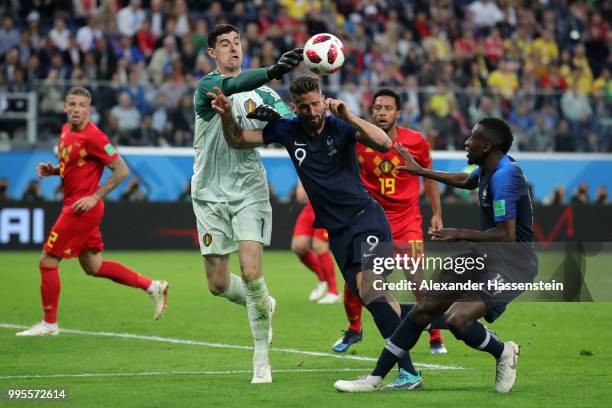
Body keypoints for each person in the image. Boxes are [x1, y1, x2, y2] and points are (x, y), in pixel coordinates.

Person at [209, 75, 425, 390]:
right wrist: (227, 114)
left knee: (371, 291)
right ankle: (458, 321)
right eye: (305, 106)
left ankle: (405, 374)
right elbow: (239, 139)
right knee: (381, 302)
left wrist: (349, 115)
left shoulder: (340, 125)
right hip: (338, 233)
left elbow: (384, 143)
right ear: (294, 107)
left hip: (367, 220)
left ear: (324, 100)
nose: (312, 111)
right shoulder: (286, 129)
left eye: (316, 103)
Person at [334, 118, 537, 393]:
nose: (466, 142)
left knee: (457, 320)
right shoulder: (489, 167)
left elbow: (506, 235)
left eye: (472, 138)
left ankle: (503, 352)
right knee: (424, 308)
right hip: (484, 255)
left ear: (487, 146)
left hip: (515, 264)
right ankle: (375, 379)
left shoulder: (505, 176)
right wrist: (421, 172)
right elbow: (465, 180)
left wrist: (458, 233)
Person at [191, 23, 302, 384]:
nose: (233, 48)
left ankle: (261, 360)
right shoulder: (208, 87)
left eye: (237, 42)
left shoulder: (266, 96)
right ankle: (262, 304)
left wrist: (288, 120)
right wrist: (273, 70)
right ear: (213, 53)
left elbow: (296, 129)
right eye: (224, 44)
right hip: (209, 193)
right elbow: (236, 85)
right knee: (218, 284)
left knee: (252, 273)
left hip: (250, 191)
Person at [17, 87, 169, 337]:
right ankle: (153, 287)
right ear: (65, 107)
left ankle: (49, 324)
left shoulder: (94, 137)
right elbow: (76, 164)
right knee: (93, 266)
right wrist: (54, 170)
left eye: (82, 105)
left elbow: (121, 170)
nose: (76, 109)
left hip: (82, 209)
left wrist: (94, 196)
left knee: (47, 260)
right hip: (76, 205)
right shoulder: (66, 130)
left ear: (89, 109)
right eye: (72, 104)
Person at [333, 88, 447, 355]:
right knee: (359, 284)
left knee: (417, 280)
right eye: (377, 108)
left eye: (387, 108)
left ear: (398, 113)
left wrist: (437, 213)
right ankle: (354, 330)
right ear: (372, 112)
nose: (381, 113)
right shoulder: (360, 140)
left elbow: (428, 177)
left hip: (408, 222)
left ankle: (436, 335)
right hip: (373, 224)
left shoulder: (416, 142)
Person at [291, 181, 340, 304]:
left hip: (328, 204)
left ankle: (334, 292)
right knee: (298, 246)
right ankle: (322, 277)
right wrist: (301, 185)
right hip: (311, 205)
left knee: (319, 245)